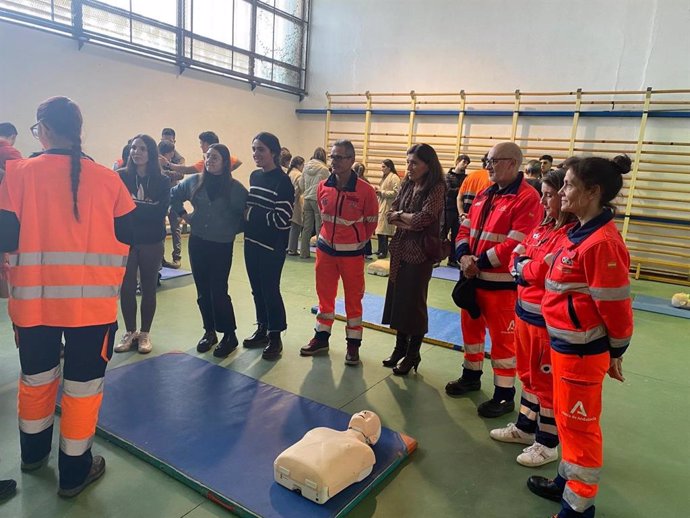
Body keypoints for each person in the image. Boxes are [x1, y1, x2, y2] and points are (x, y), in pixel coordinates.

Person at [0, 96, 135, 497]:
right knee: (82, 389)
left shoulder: (18, 174)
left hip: (33, 305)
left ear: (42, 128)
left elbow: (6, 236)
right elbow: (131, 233)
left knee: (36, 381)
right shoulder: (110, 180)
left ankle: (33, 455)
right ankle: (75, 473)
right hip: (91, 309)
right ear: (79, 131)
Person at [527, 156, 634, 518]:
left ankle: (578, 507)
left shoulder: (601, 244)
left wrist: (616, 351)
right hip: (564, 346)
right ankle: (565, 480)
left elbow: (616, 308)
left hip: (583, 353)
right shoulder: (578, 233)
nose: (563, 191)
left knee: (580, 429)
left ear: (593, 192)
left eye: (570, 185)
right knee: (565, 419)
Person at [445, 142, 542, 419]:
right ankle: (471, 376)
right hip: (473, 279)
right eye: (487, 161)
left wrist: (478, 263)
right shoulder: (484, 194)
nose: (487, 166)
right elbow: (464, 227)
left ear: (512, 163)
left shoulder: (527, 198)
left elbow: (517, 243)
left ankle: (503, 396)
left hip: (501, 286)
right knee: (471, 334)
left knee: (503, 343)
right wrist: (463, 256)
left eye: (493, 161)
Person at [490, 168, 576, 467]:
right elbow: (517, 256)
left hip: (546, 324)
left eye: (550, 195)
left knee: (546, 384)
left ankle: (547, 443)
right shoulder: (543, 227)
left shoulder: (570, 234)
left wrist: (526, 268)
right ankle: (526, 428)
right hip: (525, 314)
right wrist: (526, 267)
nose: (545, 200)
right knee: (527, 377)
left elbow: (546, 271)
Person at [300, 140, 378, 365]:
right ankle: (321, 338)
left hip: (351, 256)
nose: (334, 161)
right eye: (332, 157)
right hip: (325, 253)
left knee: (354, 301)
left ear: (352, 160)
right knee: (325, 298)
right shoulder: (323, 185)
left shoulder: (365, 191)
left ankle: (353, 345)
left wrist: (356, 242)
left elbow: (371, 223)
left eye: (340, 157)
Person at [171, 144, 248, 357]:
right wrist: (184, 215)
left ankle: (229, 335)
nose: (209, 161)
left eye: (214, 157)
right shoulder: (195, 181)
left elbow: (246, 216)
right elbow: (174, 195)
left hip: (221, 245)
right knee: (203, 291)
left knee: (218, 291)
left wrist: (229, 229)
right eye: (207, 157)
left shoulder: (236, 189)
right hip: (198, 243)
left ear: (225, 162)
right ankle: (209, 331)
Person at [381, 144, 445, 375]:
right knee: (399, 302)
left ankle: (413, 353)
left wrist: (402, 218)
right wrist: (404, 217)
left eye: (415, 162)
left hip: (420, 256)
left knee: (415, 306)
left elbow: (424, 219)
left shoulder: (436, 187)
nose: (409, 167)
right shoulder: (407, 183)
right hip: (399, 251)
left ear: (429, 165)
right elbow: (391, 213)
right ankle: (400, 349)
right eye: (408, 162)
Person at [115, 134, 171, 354]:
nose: (136, 152)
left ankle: (145, 333)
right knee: (127, 288)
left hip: (152, 240)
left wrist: (131, 207)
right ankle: (130, 331)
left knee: (148, 287)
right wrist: (143, 207)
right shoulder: (120, 177)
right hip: (126, 239)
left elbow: (159, 212)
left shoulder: (163, 180)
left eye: (142, 149)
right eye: (133, 148)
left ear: (151, 153)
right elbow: (116, 209)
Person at [242, 132, 294, 360]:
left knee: (270, 290)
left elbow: (282, 219)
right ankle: (262, 328)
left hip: (271, 247)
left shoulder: (283, 182)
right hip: (251, 243)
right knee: (257, 290)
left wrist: (251, 214)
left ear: (274, 152)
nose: (256, 154)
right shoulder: (255, 176)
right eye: (254, 149)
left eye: (261, 149)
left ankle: (275, 336)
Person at [274, 410, 381, 504]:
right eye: (362, 412)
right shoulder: (321, 430)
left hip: (290, 468)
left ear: (374, 438)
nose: (364, 413)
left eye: (369, 417)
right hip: (311, 480)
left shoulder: (364, 452)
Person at [162, 131, 242, 175]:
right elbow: (238, 162)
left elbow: (187, 170)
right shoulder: (225, 158)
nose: (200, 146)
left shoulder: (206, 162)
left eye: (201, 143)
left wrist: (168, 164)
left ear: (206, 144)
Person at [298, 147, 330, 259]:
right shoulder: (324, 170)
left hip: (307, 199)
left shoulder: (306, 167)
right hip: (318, 200)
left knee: (306, 228)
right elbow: (329, 187)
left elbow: (301, 184)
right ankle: (320, 254)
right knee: (319, 228)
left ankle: (304, 253)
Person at [159, 139, 185, 269]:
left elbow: (180, 175)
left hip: (173, 196)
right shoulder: (156, 159)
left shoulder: (178, 159)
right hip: (161, 198)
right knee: (161, 229)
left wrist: (167, 169)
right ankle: (160, 258)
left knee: (175, 228)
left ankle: (177, 257)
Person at [443, 154, 469, 266]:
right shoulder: (447, 176)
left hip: (459, 211)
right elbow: (448, 191)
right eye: (464, 162)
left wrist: (461, 191)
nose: (465, 165)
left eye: (467, 163)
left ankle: (452, 259)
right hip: (447, 209)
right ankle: (436, 258)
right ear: (457, 161)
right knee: (442, 234)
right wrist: (462, 190)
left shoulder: (466, 178)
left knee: (456, 236)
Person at [373, 159, 400, 259]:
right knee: (380, 230)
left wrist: (382, 192)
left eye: (384, 167)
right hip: (382, 204)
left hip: (388, 206)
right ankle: (380, 249)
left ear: (389, 167)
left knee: (384, 230)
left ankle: (384, 252)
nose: (382, 169)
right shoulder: (385, 177)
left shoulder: (394, 177)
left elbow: (397, 192)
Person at [286, 156, 305, 256]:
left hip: (288, 202)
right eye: (303, 165)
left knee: (289, 227)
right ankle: (292, 249)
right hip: (295, 202)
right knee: (296, 226)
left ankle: (287, 246)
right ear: (299, 165)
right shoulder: (298, 175)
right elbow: (298, 189)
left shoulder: (289, 173)